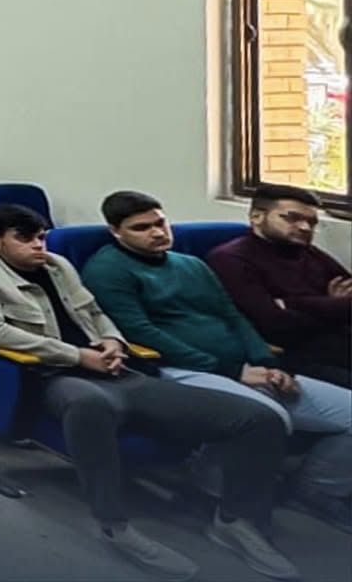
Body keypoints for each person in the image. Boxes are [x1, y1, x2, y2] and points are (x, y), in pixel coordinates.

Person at [0, 204, 299, 580]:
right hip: (53, 376)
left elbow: (93, 311)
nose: (38, 246)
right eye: (25, 239)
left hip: (116, 370)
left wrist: (112, 341)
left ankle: (234, 520)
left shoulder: (57, 265)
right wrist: (78, 355)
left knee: (259, 419)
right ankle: (114, 525)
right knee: (91, 406)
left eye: (41, 237)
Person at [84, 190, 352, 527]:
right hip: (174, 369)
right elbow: (140, 332)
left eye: (160, 223)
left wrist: (268, 364)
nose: (157, 233)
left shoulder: (191, 264)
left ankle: (317, 490)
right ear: (115, 231)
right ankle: (206, 492)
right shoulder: (107, 270)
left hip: (245, 366)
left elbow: (232, 315)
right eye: (141, 228)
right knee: (265, 419)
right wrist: (230, 370)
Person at [206, 184, 352, 388]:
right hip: (294, 356)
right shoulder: (230, 259)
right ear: (257, 217)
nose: (305, 227)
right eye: (292, 218)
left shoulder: (307, 252)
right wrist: (334, 306)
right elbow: (275, 326)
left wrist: (294, 304)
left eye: (312, 222)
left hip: (339, 342)